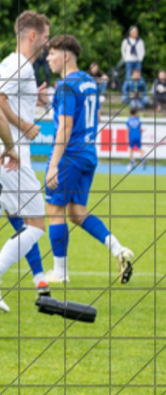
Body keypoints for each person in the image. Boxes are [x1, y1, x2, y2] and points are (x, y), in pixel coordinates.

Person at [0, 11, 54, 312]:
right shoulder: (20, 65)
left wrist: (33, 103)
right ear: (32, 35)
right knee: (36, 224)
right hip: (10, 155)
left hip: (0, 153)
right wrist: (25, 126)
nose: (46, 44)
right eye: (45, 38)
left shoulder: (14, 64)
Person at [44, 34, 135, 284]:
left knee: (54, 210)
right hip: (88, 152)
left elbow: (65, 127)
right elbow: (89, 114)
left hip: (70, 155)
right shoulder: (88, 81)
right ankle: (120, 250)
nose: (48, 58)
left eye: (51, 53)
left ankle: (60, 273)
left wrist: (53, 165)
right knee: (76, 212)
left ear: (65, 56)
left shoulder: (66, 86)